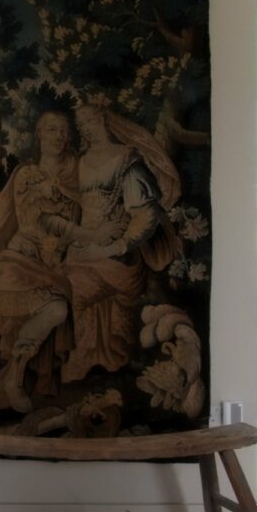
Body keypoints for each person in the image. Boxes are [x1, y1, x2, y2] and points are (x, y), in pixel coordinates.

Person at [0, 111, 119, 413]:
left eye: (64, 131)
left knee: (74, 302)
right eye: (51, 130)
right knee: (56, 309)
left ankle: (31, 374)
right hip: (22, 260)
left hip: (54, 266)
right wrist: (94, 235)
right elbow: (41, 222)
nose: (59, 136)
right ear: (39, 135)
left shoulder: (74, 174)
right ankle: (15, 376)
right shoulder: (28, 176)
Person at [61, 103, 182, 383]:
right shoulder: (78, 161)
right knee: (63, 284)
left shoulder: (125, 160)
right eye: (80, 123)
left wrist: (114, 246)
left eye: (89, 120)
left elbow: (145, 215)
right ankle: (85, 356)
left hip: (118, 253)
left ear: (103, 118)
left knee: (79, 289)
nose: (84, 128)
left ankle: (101, 361)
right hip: (82, 248)